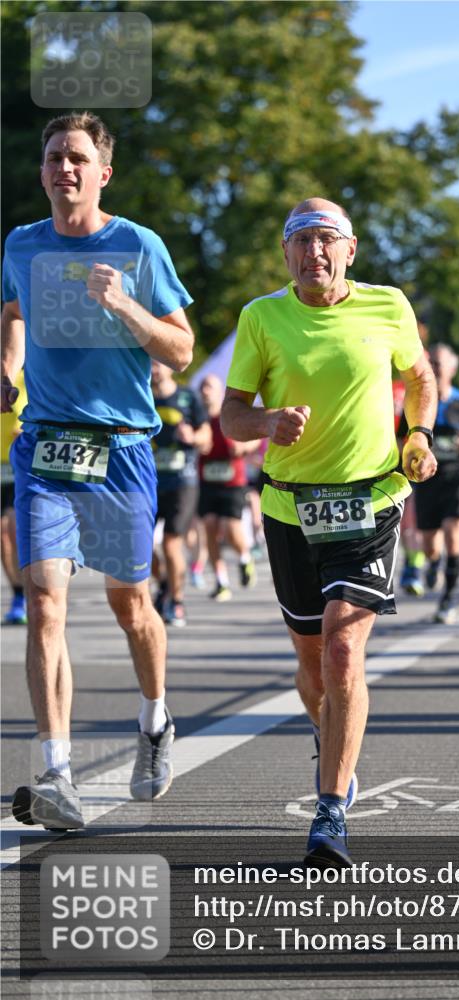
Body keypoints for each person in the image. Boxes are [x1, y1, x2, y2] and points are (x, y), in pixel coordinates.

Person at [220, 197, 437, 867]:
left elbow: (420, 377)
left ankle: (330, 809)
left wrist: (419, 435)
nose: (314, 252)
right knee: (312, 661)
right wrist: (267, 423)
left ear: (349, 249)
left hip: (371, 501)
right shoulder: (261, 317)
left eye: (325, 239)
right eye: (301, 241)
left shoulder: (387, 306)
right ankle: (330, 736)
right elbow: (231, 415)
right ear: (285, 254)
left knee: (343, 651)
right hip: (290, 509)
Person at [1, 112, 194, 830]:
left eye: (78, 158)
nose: (65, 168)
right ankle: (57, 774)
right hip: (45, 446)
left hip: (121, 448)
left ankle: (154, 719)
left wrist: (123, 305)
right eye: (55, 156)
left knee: (130, 606)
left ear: (102, 173)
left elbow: (180, 350)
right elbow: (13, 308)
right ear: (43, 171)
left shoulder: (138, 245)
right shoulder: (22, 243)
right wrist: (8, 366)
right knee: (44, 600)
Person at [402, 344, 459, 624]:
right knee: (430, 545)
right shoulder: (417, 401)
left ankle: (448, 599)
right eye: (432, 363)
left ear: (453, 367)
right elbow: (401, 439)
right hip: (427, 480)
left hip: (456, 477)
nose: (436, 369)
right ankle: (434, 562)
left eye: (440, 363)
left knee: (453, 533)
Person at [150, 360, 211, 626]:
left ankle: (176, 601)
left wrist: (193, 437)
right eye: (150, 363)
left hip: (182, 482)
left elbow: (207, 438)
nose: (154, 369)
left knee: (171, 542)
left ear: (170, 366)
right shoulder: (140, 395)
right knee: (141, 546)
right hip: (148, 482)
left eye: (158, 363)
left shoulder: (188, 397)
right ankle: (165, 582)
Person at [197, 373, 259, 601]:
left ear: (220, 392)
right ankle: (221, 582)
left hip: (233, 482)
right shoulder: (198, 417)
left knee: (230, 528)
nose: (205, 391)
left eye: (210, 387)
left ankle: (244, 557)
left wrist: (244, 448)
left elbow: (257, 435)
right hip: (207, 482)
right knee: (210, 527)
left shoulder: (229, 415)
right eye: (202, 386)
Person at [1, 369, 28, 623]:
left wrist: (28, 431)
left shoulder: (24, 374)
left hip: (17, 464)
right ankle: (18, 594)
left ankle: (29, 592)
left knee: (11, 527)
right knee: (3, 537)